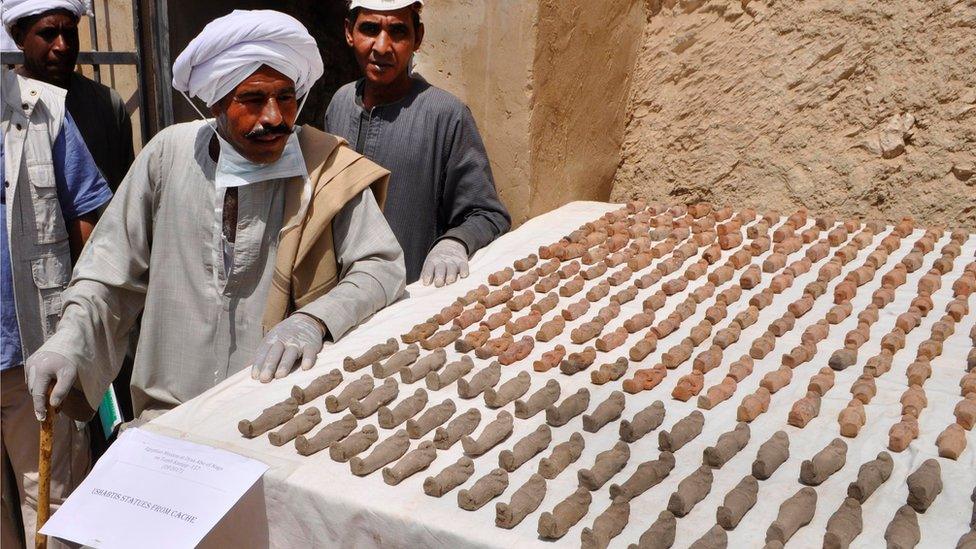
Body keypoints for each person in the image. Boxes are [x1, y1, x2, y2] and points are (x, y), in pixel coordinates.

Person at [24, 10, 406, 428]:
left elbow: (381, 267)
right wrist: (68, 343)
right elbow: (107, 274)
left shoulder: (323, 167)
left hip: (274, 418)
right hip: (166, 419)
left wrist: (313, 320)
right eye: (254, 100)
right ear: (217, 102)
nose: (275, 117)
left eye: (286, 97)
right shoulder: (168, 155)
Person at [326, 0, 511, 287]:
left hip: (405, 301)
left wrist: (454, 242)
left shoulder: (446, 115)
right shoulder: (339, 103)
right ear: (349, 32)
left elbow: (487, 214)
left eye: (398, 32)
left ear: (418, 38)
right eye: (370, 29)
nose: (382, 46)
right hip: (340, 297)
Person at [1, 66, 110, 547]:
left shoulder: (42, 109)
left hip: (33, 350)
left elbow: (86, 213)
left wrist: (75, 324)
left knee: (53, 499)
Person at [4, 0, 135, 192]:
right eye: (48, 34)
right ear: (19, 38)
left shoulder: (107, 104)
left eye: (70, 33)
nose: (62, 46)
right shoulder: (4, 106)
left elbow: (127, 190)